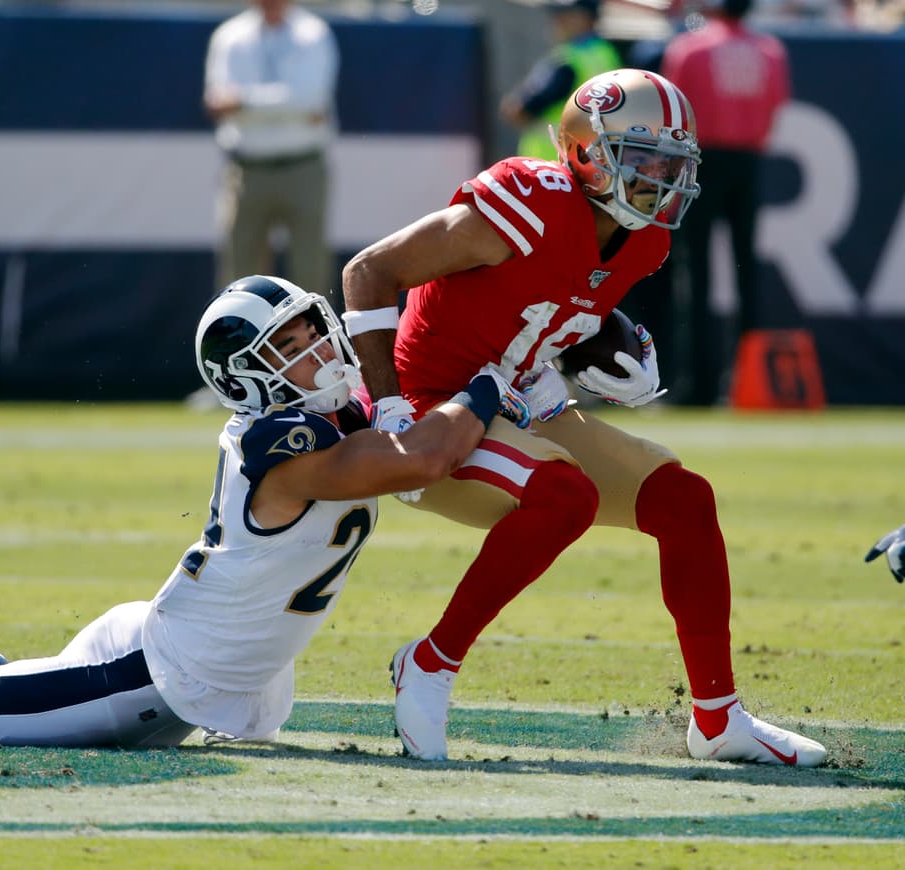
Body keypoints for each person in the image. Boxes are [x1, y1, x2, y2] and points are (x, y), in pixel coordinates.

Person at [0, 275, 530, 749]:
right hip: (157, 671)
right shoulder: (278, 443)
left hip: (179, 646)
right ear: (249, 377)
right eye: (288, 348)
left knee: (5, 684)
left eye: (311, 331)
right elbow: (426, 453)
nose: (315, 351)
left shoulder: (326, 418)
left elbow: (409, 404)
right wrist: (503, 375)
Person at [342, 68, 826, 767]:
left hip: (508, 397)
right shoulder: (526, 202)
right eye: (645, 160)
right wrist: (388, 409)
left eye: (673, 164)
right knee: (566, 494)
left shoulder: (646, 240)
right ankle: (431, 661)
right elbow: (368, 272)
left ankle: (718, 720)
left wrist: (591, 350)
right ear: (584, 153)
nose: (662, 179)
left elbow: (542, 304)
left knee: (684, 499)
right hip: (428, 407)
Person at [660, 0, 791, 405]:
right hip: (748, 162)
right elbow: (774, 110)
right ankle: (750, 383)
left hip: (702, 162)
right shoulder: (769, 50)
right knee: (746, 271)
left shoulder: (691, 48)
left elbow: (672, 114)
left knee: (694, 275)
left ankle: (696, 385)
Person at [204, 0, 339, 302]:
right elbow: (217, 102)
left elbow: (312, 101)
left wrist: (243, 103)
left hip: (304, 168)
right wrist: (289, 103)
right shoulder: (229, 37)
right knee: (239, 283)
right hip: (246, 172)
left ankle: (316, 349)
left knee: (311, 277)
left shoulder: (314, 34)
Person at [498, 0, 622, 162]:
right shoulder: (607, 53)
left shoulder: (568, 60)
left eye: (564, 14)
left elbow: (519, 110)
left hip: (552, 163)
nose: (556, 20)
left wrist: (512, 106)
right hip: (593, 163)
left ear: (584, 18)